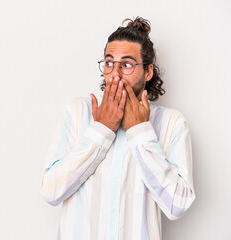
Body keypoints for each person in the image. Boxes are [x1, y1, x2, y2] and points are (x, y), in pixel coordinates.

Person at [40, 17, 195, 240]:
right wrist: (101, 130)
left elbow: (178, 204)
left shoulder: (172, 123)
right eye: (109, 63)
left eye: (127, 64)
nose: (115, 73)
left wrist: (139, 131)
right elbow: (50, 191)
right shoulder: (77, 112)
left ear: (148, 71)